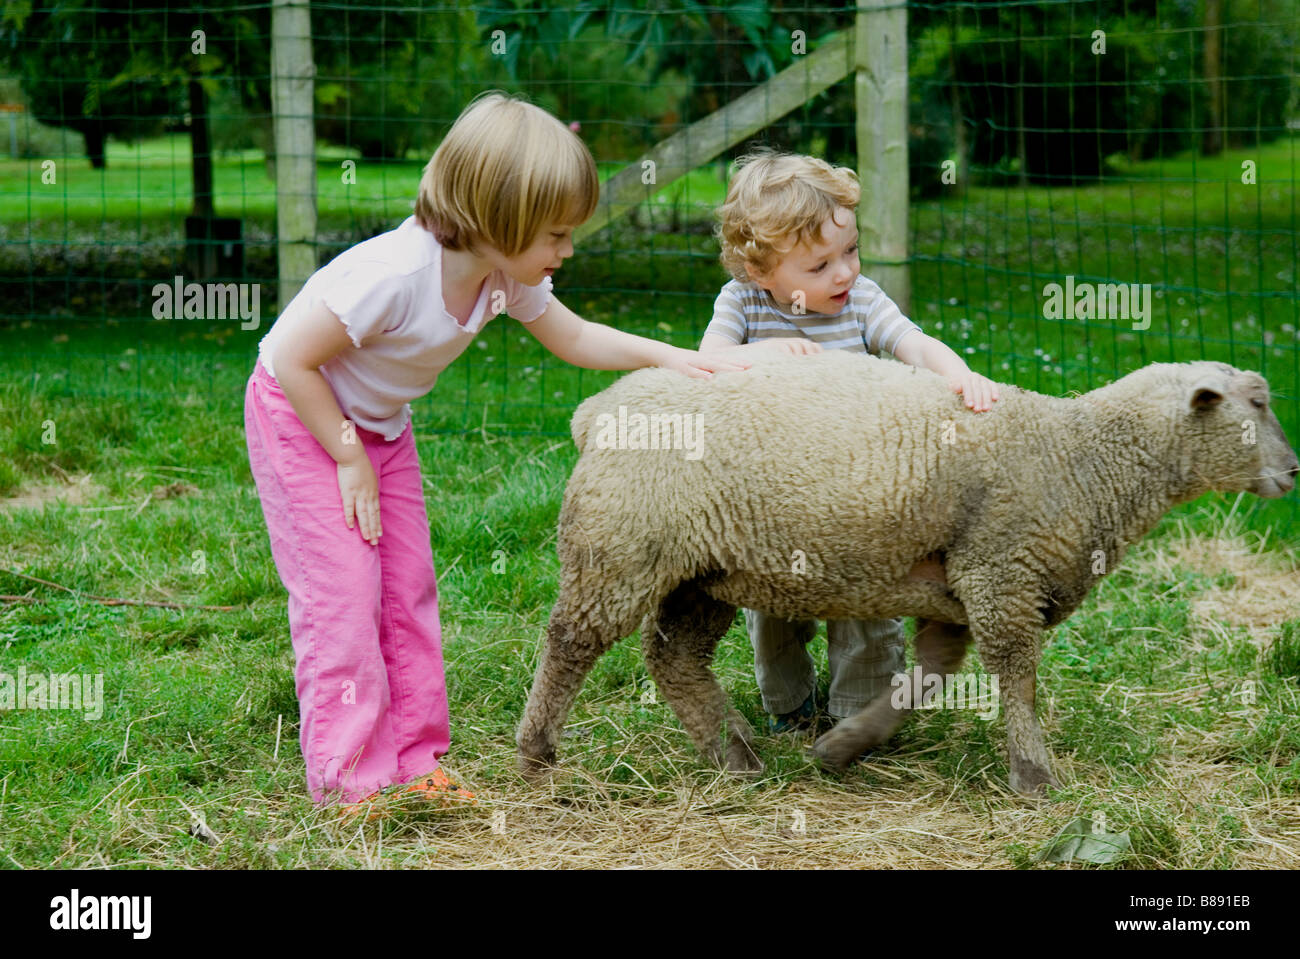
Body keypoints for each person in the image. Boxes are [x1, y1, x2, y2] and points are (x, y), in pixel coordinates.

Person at [244, 92, 748, 819]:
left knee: (408, 588)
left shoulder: (505, 275)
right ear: (496, 218)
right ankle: (350, 781)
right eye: (556, 233)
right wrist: (348, 455)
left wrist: (684, 361)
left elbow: (576, 339)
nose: (567, 249)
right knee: (343, 600)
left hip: (378, 428)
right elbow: (291, 359)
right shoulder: (392, 274)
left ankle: (417, 762)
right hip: (305, 420)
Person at [698, 149, 998, 735]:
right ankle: (790, 705)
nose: (843, 272)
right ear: (760, 271)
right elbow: (707, 365)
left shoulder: (860, 301)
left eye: (851, 251)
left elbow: (912, 343)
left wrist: (957, 373)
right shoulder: (741, 304)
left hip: (858, 492)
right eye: (819, 266)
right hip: (776, 496)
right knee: (772, 600)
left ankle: (857, 713)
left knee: (868, 597)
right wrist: (757, 354)